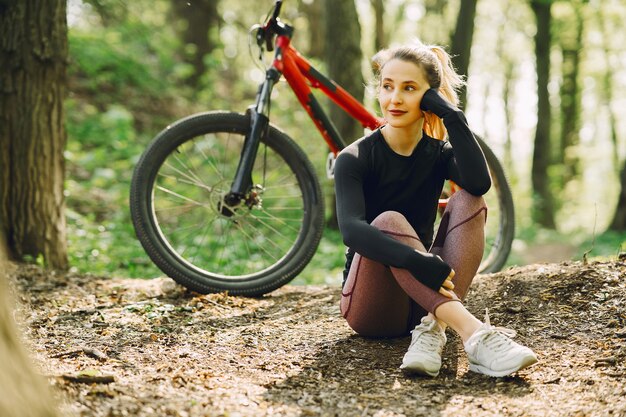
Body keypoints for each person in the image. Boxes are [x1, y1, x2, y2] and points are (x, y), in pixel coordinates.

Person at [333, 42, 538, 378]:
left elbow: (479, 183)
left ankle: (433, 328)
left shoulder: (438, 154)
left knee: (469, 198)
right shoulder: (354, 158)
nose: (394, 99)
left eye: (409, 89)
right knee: (388, 220)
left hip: (420, 300)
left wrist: (452, 116)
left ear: (429, 98)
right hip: (371, 307)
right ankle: (474, 334)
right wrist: (416, 259)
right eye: (387, 87)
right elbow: (352, 230)